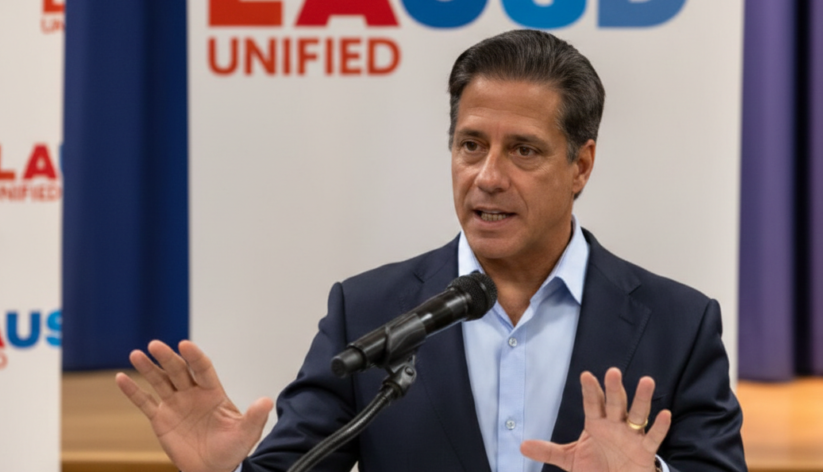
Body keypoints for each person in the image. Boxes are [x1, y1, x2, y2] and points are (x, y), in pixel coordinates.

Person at [117, 30, 746, 472]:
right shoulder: (367, 312)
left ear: (580, 165)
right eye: (471, 146)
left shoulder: (679, 324)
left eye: (523, 150)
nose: (488, 177)